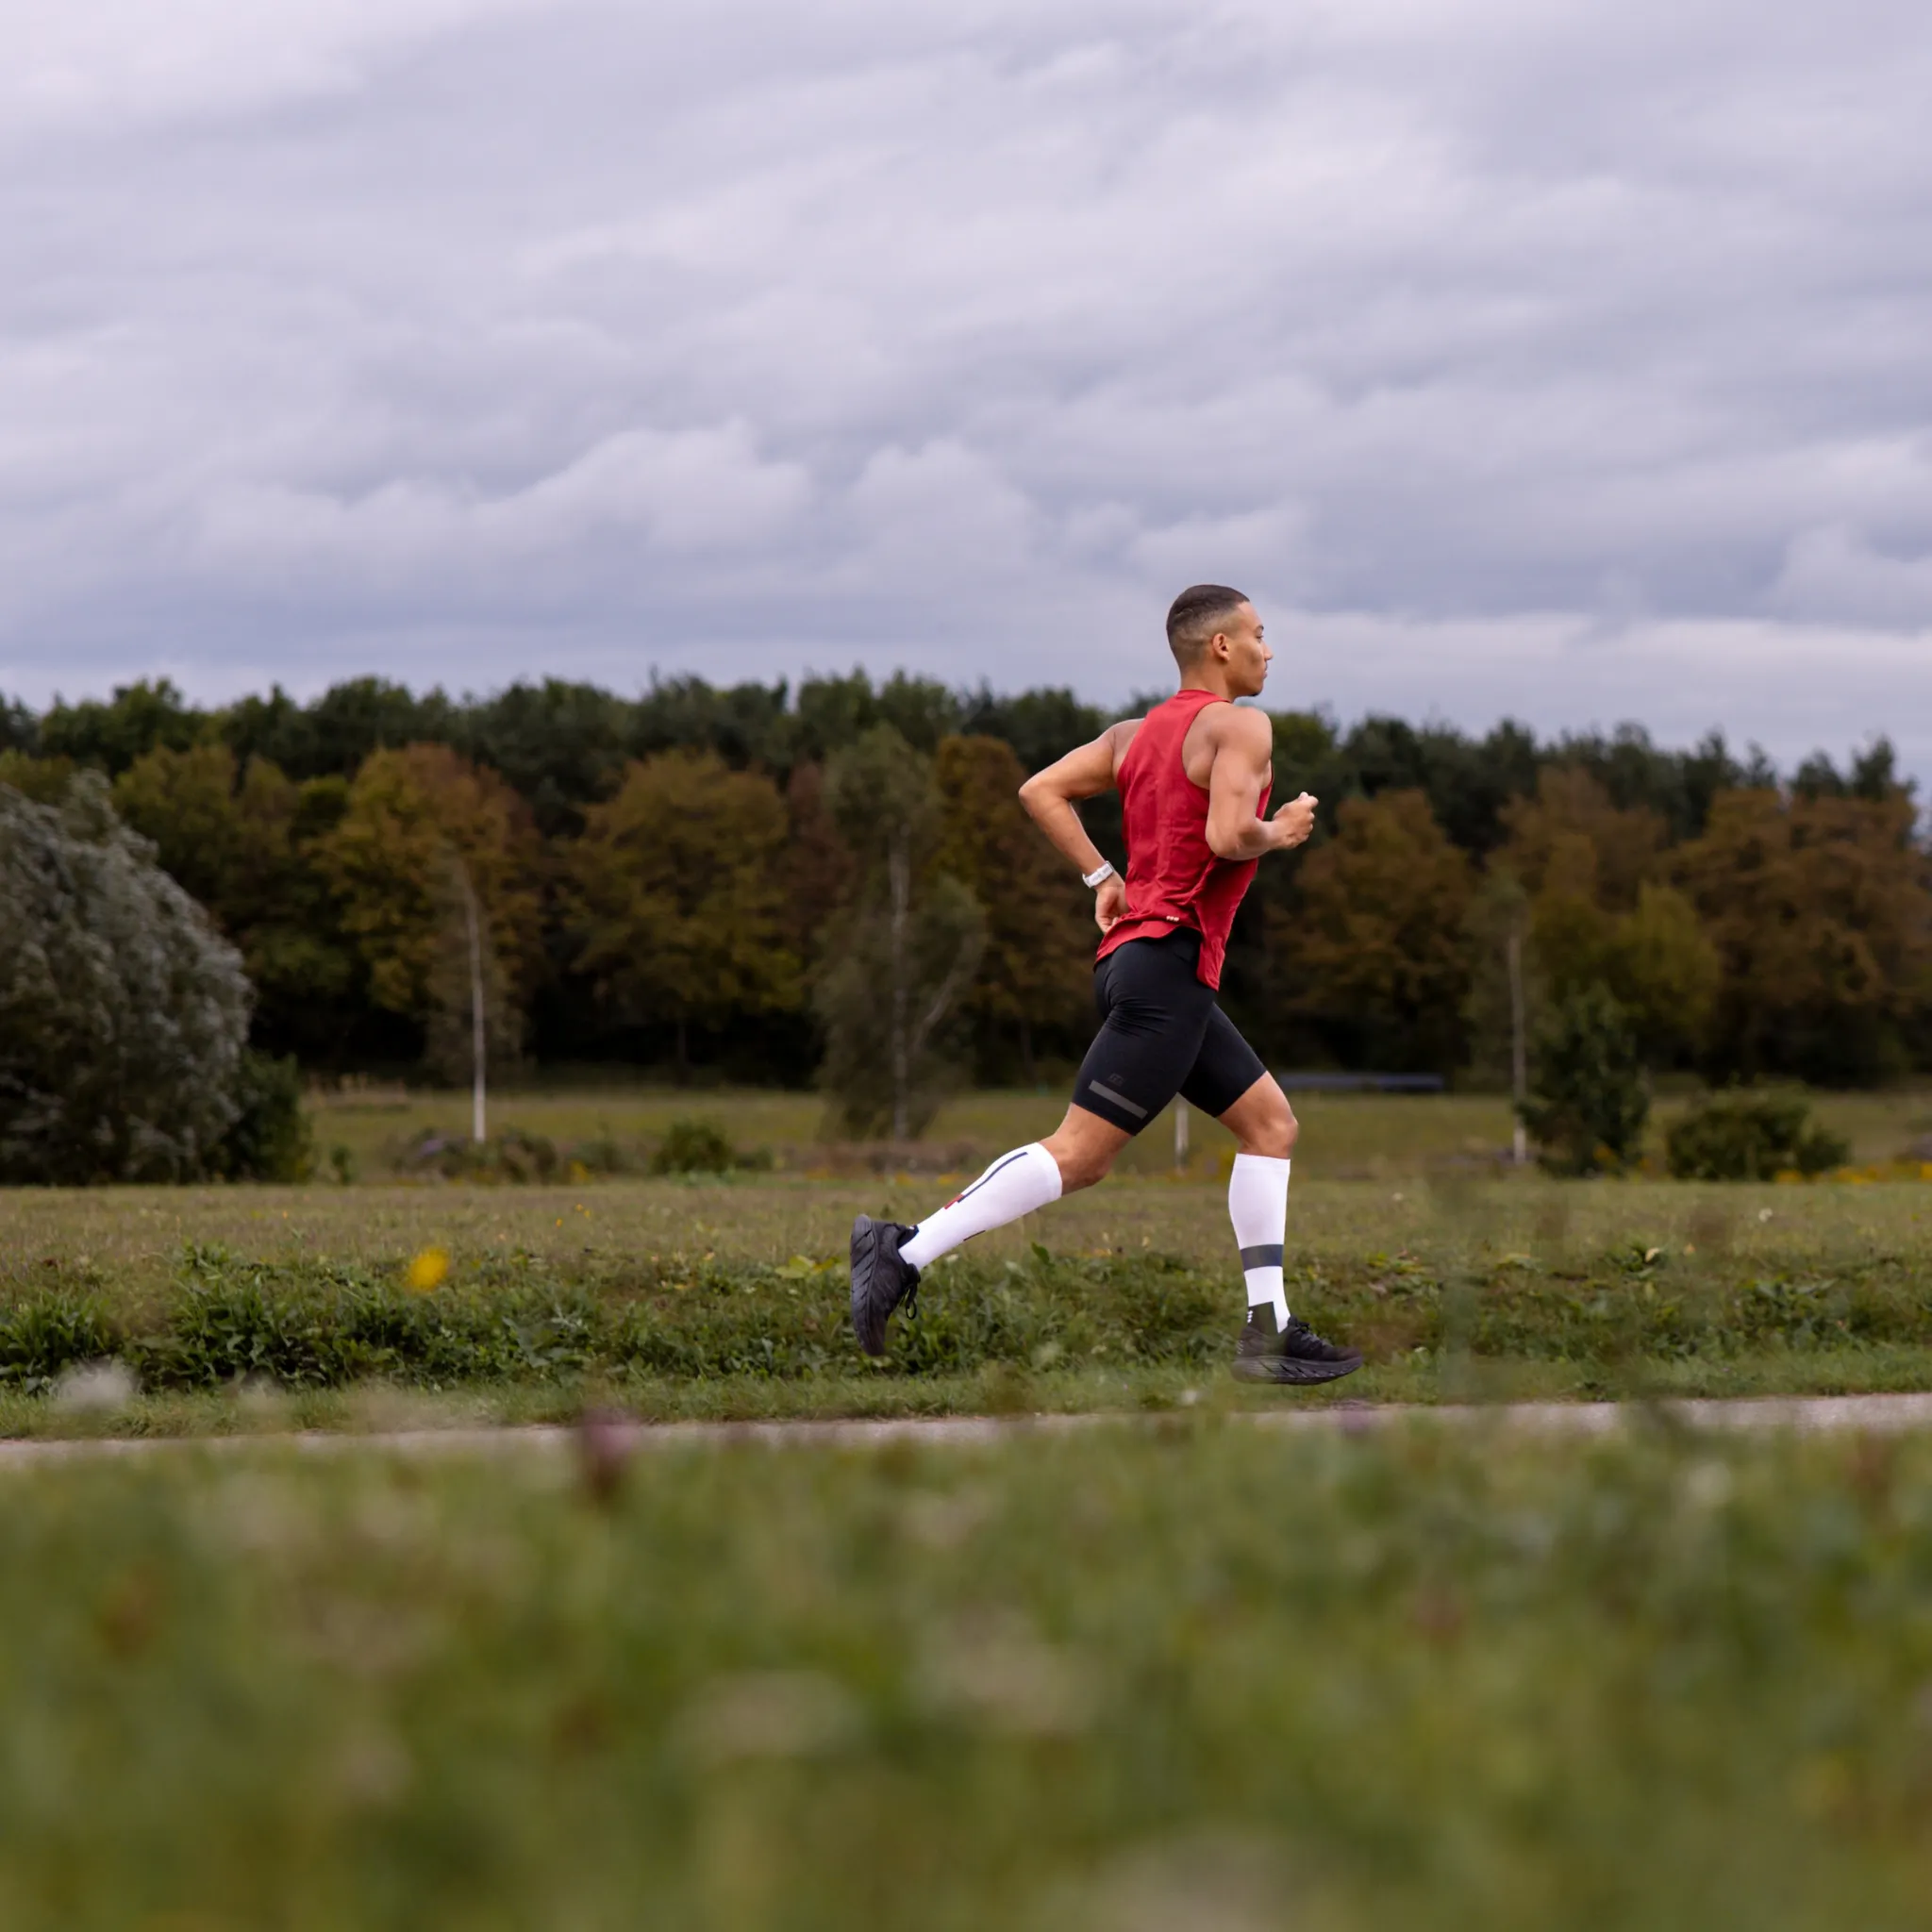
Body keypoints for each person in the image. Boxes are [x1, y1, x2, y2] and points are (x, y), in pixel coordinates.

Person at [850, 584, 1362, 1386]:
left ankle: (1270, 1328)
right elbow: (1231, 837)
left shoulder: (1134, 735)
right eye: (1260, 634)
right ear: (1221, 647)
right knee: (1081, 1156)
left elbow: (1038, 789)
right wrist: (1283, 832)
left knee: (1270, 1125)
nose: (1271, 649)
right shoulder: (1243, 726)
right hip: (1168, 973)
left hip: (1142, 962)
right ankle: (903, 1250)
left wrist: (1102, 874)